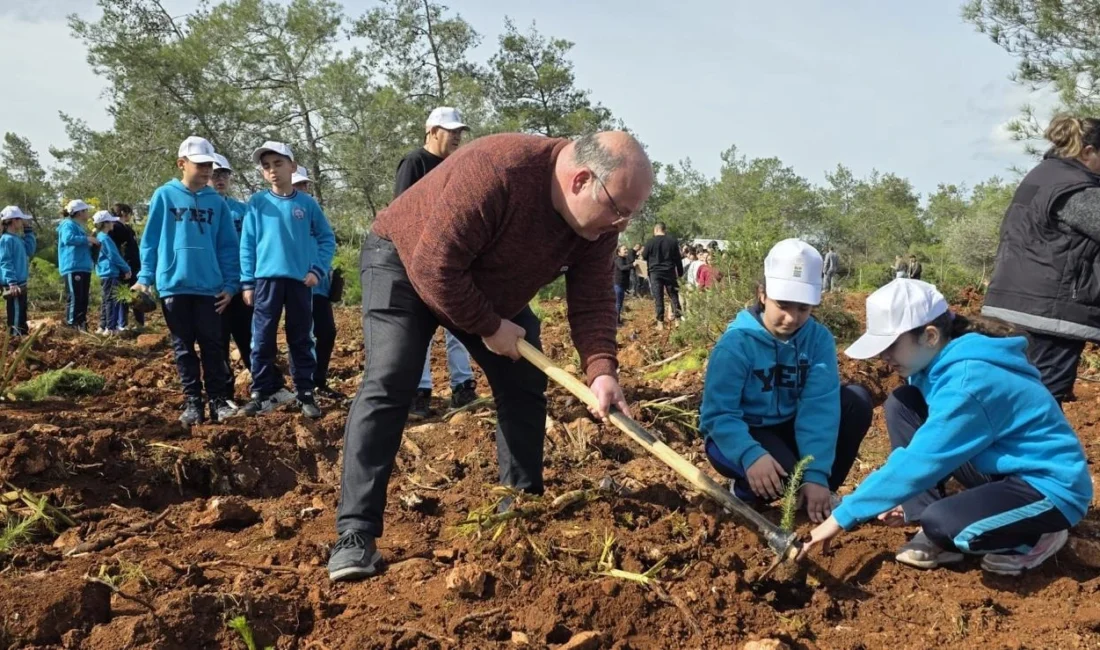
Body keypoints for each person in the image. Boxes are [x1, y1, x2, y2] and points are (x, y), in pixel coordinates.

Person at [328, 131, 652, 582]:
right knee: (391, 378)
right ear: (581, 180)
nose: (619, 227)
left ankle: (519, 504)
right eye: (618, 211)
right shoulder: (500, 170)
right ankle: (355, 534)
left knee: (524, 383)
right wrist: (490, 326)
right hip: (404, 260)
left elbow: (594, 300)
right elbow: (434, 268)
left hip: (485, 282)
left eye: (629, 217)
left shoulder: (597, 228)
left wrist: (601, 369)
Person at [803, 279, 1092, 576]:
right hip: (1003, 464)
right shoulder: (936, 362)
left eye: (891, 346)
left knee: (944, 525)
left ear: (929, 336)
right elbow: (928, 448)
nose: (883, 357)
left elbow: (920, 461)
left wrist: (841, 517)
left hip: (1049, 487)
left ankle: (1036, 537)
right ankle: (920, 509)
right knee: (903, 403)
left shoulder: (970, 382)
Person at [700, 239, 873, 522]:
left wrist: (815, 475)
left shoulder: (817, 340)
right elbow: (718, 415)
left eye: (803, 309)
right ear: (762, 294)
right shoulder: (736, 344)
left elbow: (819, 408)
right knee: (782, 475)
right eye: (783, 305)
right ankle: (744, 490)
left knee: (856, 402)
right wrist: (749, 454)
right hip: (740, 431)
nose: (792, 318)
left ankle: (818, 493)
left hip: (789, 426)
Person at [983, 114, 1100, 404]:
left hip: (1010, 306)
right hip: (1049, 317)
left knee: (1013, 400)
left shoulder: (1043, 176)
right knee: (1041, 404)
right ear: (1087, 152)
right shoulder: (1078, 189)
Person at [134, 135, 241, 426]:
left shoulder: (216, 203)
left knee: (212, 345)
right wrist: (145, 277)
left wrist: (231, 285)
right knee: (183, 347)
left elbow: (227, 247)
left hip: (209, 288)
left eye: (210, 164)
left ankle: (218, 400)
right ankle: (193, 402)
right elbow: (151, 240)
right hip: (174, 284)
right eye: (200, 164)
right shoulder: (164, 196)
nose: (207, 170)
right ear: (182, 164)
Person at [239, 141, 336, 419]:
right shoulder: (257, 203)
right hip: (265, 282)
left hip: (298, 282)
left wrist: (316, 270)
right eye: (266, 166)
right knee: (262, 338)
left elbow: (326, 238)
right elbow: (247, 244)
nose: (272, 171)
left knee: (301, 337)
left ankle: (305, 392)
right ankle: (261, 392)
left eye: (278, 164)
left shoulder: (306, 204)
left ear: (292, 167)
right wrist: (247, 282)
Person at [395, 107, 478, 418]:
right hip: (420, 258)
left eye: (460, 131)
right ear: (431, 131)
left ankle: (462, 387)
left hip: (455, 260)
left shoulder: (459, 166)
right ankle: (419, 391)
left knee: (458, 326)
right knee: (421, 330)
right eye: (450, 130)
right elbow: (401, 211)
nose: (456, 136)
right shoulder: (415, 162)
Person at [288, 163, 344, 402]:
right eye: (298, 184)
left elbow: (326, 241)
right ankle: (302, 384)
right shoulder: (286, 214)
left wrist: (327, 272)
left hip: (318, 284)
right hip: (297, 284)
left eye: (304, 184)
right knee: (301, 334)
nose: (303, 188)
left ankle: (318, 380)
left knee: (326, 332)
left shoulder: (313, 211)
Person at [58, 199, 96, 330]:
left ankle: (81, 324)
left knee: (83, 298)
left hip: (83, 266)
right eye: (86, 211)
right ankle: (72, 325)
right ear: (79, 212)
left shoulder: (79, 227)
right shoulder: (67, 224)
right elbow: (67, 239)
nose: (88, 213)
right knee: (74, 297)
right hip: (73, 266)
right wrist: (87, 239)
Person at [92, 210, 131, 335]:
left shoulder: (99, 237)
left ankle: (103, 326)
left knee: (106, 300)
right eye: (111, 221)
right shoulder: (105, 238)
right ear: (105, 223)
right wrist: (126, 268)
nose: (113, 224)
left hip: (104, 272)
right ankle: (111, 327)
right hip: (110, 272)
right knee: (111, 300)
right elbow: (114, 256)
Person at [0, 206, 35, 336]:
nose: (22, 222)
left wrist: (28, 230)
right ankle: (15, 338)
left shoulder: (17, 238)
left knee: (21, 311)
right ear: (13, 221)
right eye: (20, 219)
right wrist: (12, 282)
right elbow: (5, 261)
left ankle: (22, 335)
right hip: (14, 284)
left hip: (21, 282)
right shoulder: (6, 239)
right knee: (15, 313)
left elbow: (30, 250)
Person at [641, 222, 683, 328]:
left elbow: (644, 256)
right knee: (674, 295)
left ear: (655, 230)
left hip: (655, 273)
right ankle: (678, 320)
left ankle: (660, 323)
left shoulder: (650, 242)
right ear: (665, 229)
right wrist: (680, 272)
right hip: (669, 272)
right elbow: (678, 259)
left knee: (658, 298)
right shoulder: (672, 241)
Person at [613, 245, 633, 326]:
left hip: (621, 285)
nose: (626, 250)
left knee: (619, 304)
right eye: (624, 249)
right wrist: (632, 265)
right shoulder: (618, 259)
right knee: (617, 304)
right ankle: (616, 322)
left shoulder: (624, 259)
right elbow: (622, 268)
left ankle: (617, 320)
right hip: (618, 285)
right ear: (619, 252)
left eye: (626, 249)